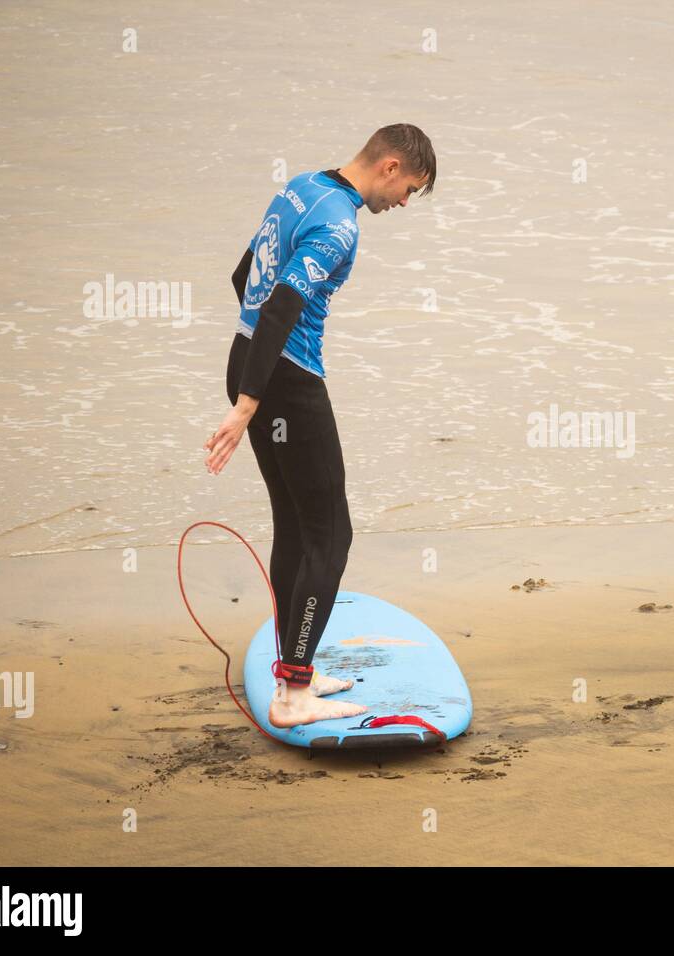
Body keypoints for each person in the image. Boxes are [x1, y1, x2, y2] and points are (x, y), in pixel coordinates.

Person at [202, 124, 436, 727]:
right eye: (408, 188)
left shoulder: (304, 186)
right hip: (286, 381)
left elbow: (245, 274)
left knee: (296, 523)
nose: (403, 203)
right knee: (331, 535)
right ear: (388, 166)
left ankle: (294, 668)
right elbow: (284, 304)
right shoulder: (341, 225)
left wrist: (249, 381)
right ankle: (294, 694)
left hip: (247, 355)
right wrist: (252, 404)